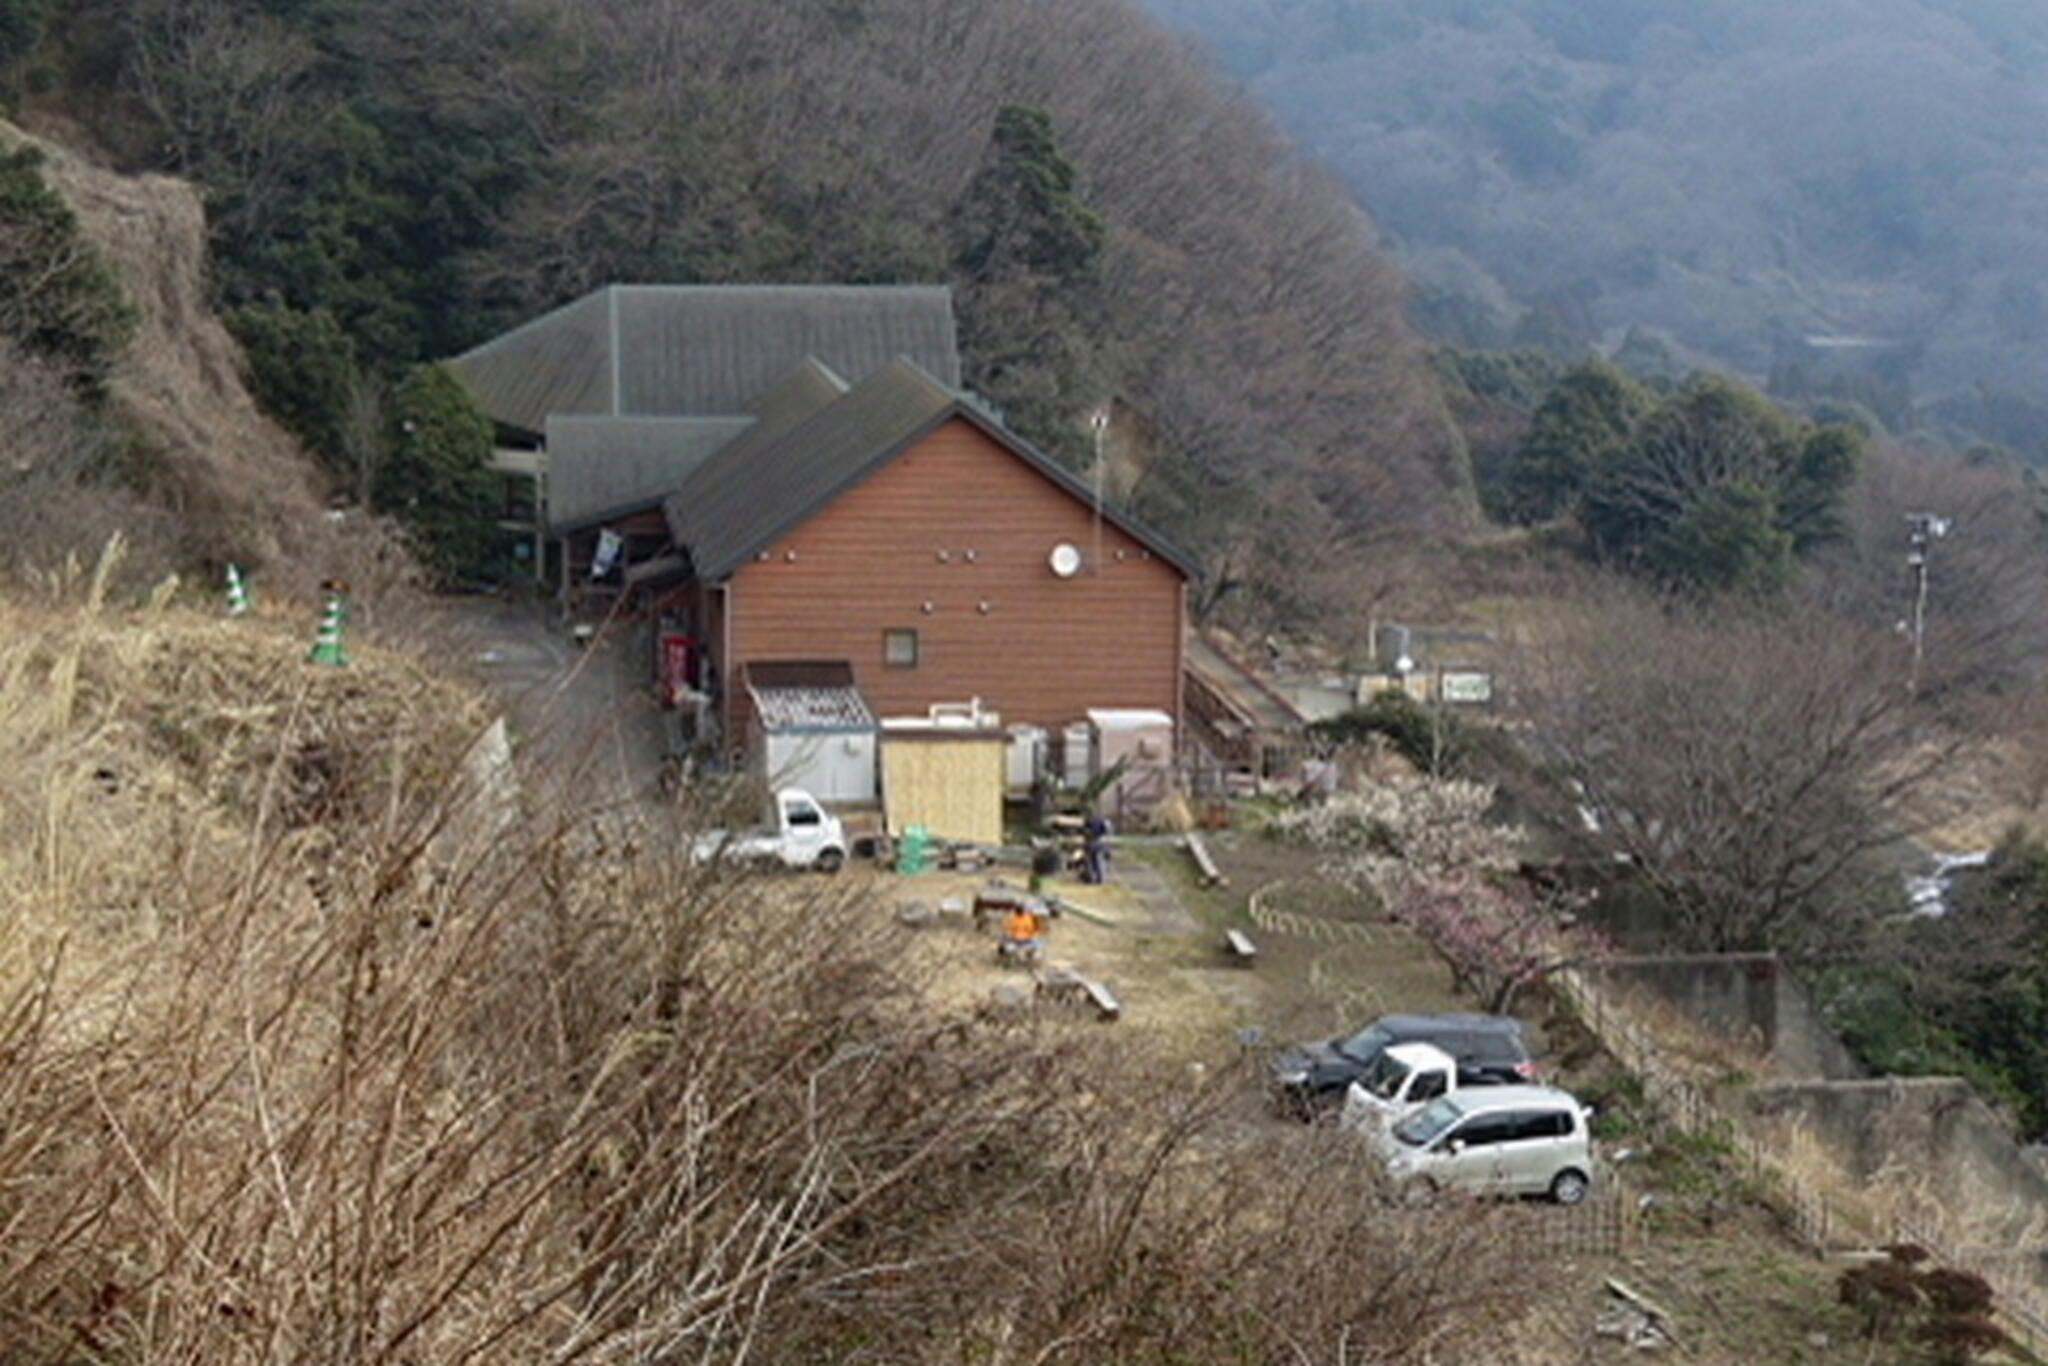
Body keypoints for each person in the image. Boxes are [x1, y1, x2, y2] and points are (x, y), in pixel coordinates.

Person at [1082, 810, 1111, 885]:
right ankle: (1100, 879)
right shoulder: (1102, 820)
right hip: (1099, 841)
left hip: (1091, 842)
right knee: (1099, 861)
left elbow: (1084, 830)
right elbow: (1107, 831)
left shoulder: (1088, 820)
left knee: (1090, 862)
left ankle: (1091, 878)